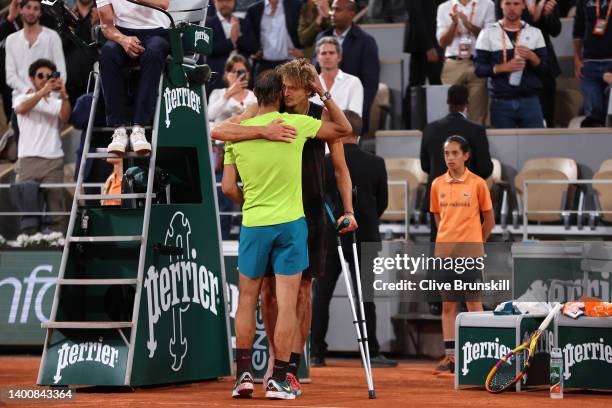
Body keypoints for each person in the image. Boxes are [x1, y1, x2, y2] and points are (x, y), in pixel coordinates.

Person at [214, 59, 356, 396]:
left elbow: (221, 150)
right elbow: (346, 129)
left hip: (280, 217)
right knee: (276, 298)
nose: (289, 91)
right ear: (279, 91)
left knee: (287, 297)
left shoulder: (306, 118)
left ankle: (277, 371)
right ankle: (275, 374)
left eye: (294, 86)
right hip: (289, 220)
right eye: (285, 87)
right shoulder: (289, 123)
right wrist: (265, 130)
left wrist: (348, 209)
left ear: (306, 89)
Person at [312, 110, 397, 368]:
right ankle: (370, 351)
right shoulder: (376, 162)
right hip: (365, 237)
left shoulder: (324, 161)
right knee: (365, 296)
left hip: (329, 238)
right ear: (359, 133)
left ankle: (316, 352)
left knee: (322, 296)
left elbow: (316, 199)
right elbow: (382, 202)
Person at [429, 135, 494, 375]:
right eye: (447, 153)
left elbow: (489, 220)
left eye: (455, 153)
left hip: (470, 254)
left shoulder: (478, 184)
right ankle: (451, 358)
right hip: (444, 254)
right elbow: (438, 218)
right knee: (448, 306)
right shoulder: (436, 184)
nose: (450, 158)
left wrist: (477, 243)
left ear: (466, 156)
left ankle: (480, 356)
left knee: (473, 303)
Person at [420, 84, 493, 242]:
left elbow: (425, 166)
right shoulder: (476, 130)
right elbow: (485, 168)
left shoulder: (430, 129)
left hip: (439, 199)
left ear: (448, 102)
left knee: (439, 252)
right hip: (468, 200)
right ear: (467, 103)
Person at [97, 0, 171, 155]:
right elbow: (107, 26)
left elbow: (163, 3)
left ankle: (139, 129)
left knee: (154, 52)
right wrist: (123, 39)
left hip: (156, 31)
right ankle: (119, 130)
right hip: (122, 33)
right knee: (108, 53)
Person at [13, 58, 71, 232]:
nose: (45, 79)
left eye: (49, 76)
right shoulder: (22, 97)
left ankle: (57, 249)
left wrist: (64, 95)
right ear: (32, 79)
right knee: (27, 212)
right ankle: (30, 249)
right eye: (40, 76)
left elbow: (66, 117)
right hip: (27, 161)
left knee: (56, 212)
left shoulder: (56, 102)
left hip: (53, 161)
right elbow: (20, 109)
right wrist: (42, 92)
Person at [475, 0, 548, 128]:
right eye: (508, 3)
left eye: (516, 3)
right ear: (501, 5)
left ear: (523, 6)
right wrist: (502, 68)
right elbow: (479, 69)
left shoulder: (535, 32)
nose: (512, 8)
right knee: (504, 147)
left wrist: (533, 57)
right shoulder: (487, 33)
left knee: (536, 145)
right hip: (501, 102)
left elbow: (545, 69)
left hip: (530, 100)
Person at [315, 0, 380, 132]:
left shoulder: (366, 41)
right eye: (332, 9)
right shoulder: (322, 37)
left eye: (338, 10)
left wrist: (357, 117)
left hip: (352, 120)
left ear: (351, 14)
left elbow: (370, 83)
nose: (332, 13)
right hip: (321, 122)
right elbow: (315, 73)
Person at [495, 0, 561, 127]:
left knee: (546, 120)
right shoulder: (505, 2)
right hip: (514, 66)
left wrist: (547, 15)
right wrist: (532, 16)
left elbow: (556, 30)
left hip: (543, 66)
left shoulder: (545, 1)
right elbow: (503, 27)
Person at [437, 0, 496, 125]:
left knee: (477, 115)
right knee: (451, 113)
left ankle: (473, 142)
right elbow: (442, 43)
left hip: (478, 63)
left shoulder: (487, 4)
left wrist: (468, 24)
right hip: (453, 63)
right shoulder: (444, 7)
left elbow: (491, 37)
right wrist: (453, 25)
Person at [5, 0, 66, 98]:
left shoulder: (51, 28)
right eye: (28, 7)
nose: (31, 12)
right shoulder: (11, 34)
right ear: (21, 9)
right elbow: (10, 75)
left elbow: (60, 70)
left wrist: (52, 94)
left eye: (35, 9)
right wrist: (11, 18)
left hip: (48, 95)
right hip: (22, 97)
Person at [403, 0, 444, 128]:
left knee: (437, 84)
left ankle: (440, 124)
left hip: (438, 41)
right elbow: (416, 15)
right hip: (423, 45)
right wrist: (428, 47)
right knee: (416, 85)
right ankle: (410, 125)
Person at [573, 0, 612, 125]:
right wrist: (577, 60)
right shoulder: (582, 1)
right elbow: (578, 31)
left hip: (611, 63)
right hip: (589, 64)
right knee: (593, 116)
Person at [206, 0, 257, 94]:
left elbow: (254, 47)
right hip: (217, 79)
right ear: (214, 2)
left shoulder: (244, 22)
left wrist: (239, 36)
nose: (225, 3)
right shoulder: (207, 24)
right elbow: (209, 49)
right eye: (221, 1)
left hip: (244, 77)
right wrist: (232, 41)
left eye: (229, 0)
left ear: (234, 2)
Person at [245, 0, 303, 78]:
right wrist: (254, 51)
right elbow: (248, 36)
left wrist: (305, 51)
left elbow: (306, 31)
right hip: (263, 64)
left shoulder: (297, 5)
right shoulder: (253, 10)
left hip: (291, 63)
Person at [311, 36, 363, 115]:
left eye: (331, 53)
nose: (327, 57)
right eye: (323, 53)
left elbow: (355, 117)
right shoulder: (310, 83)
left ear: (339, 57)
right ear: (318, 58)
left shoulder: (353, 82)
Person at [208, 54, 258, 125]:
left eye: (242, 72)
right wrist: (228, 94)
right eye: (234, 71)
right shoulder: (217, 93)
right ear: (226, 73)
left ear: (248, 74)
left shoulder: (254, 96)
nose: (239, 75)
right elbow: (210, 116)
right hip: (221, 133)